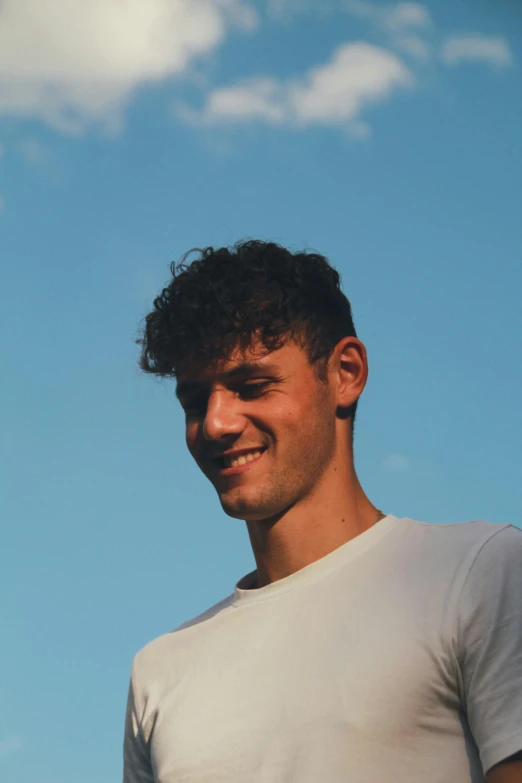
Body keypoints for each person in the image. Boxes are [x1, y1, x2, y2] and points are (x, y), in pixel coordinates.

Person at [123, 240, 522, 783]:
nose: (215, 423)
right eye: (196, 402)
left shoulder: (481, 573)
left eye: (252, 386)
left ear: (346, 373)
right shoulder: (159, 672)